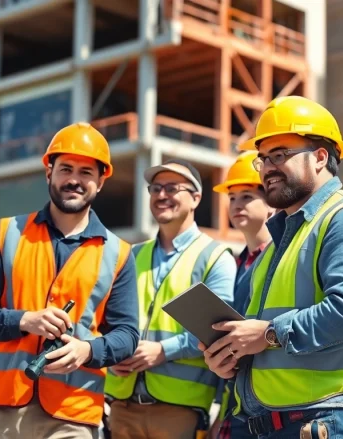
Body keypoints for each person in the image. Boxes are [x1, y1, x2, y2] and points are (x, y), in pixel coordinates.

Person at [200, 95, 343, 438]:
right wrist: (230, 357)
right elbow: (261, 340)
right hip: (276, 422)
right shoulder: (282, 240)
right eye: (264, 159)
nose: (267, 168)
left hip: (330, 419)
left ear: (321, 157)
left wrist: (266, 333)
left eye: (280, 155)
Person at [0, 122, 139, 439]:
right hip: (2, 407)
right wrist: (26, 319)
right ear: (49, 173)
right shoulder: (7, 234)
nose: (74, 179)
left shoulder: (119, 254)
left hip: (73, 413)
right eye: (66, 169)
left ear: (101, 182)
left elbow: (127, 335)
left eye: (86, 172)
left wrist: (87, 350)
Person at [104, 158, 237, 439]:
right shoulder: (132, 256)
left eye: (172, 188)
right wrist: (111, 352)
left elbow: (218, 330)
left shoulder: (215, 258)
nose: (161, 195)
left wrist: (162, 351)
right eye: (155, 188)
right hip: (121, 405)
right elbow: (107, 318)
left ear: (196, 198)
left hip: (179, 410)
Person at [209, 151, 275, 439]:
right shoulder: (235, 263)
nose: (236, 205)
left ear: (271, 203)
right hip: (236, 396)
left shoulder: (280, 258)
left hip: (270, 399)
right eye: (232, 197)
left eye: (247, 196)